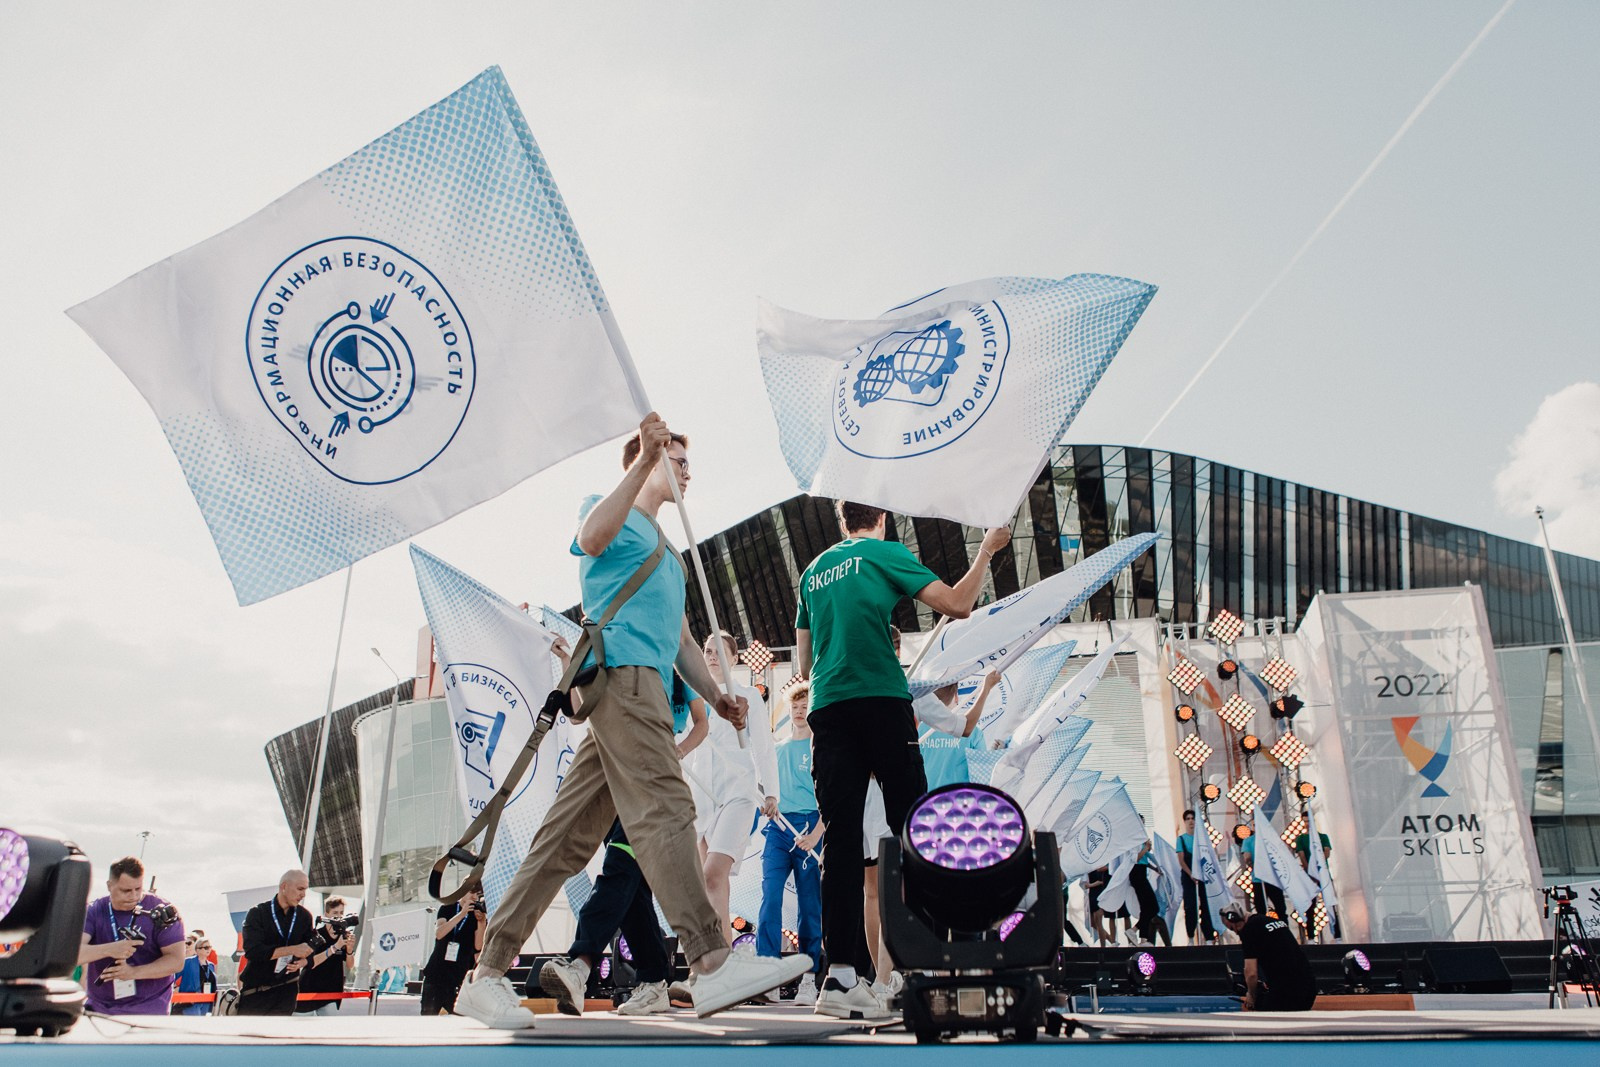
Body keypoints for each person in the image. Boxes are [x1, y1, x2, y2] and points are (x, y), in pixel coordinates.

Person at [456, 413, 812, 1029]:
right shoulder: (611, 510)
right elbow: (591, 539)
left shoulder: (670, 558)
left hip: (641, 683)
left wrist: (718, 697)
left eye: (684, 464)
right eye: (679, 461)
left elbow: (678, 640)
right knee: (668, 808)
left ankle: (486, 974)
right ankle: (711, 961)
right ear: (644, 461)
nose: (687, 472)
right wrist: (646, 460)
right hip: (621, 679)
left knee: (563, 841)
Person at [794, 499, 1010, 1019]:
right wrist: (984, 551)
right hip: (880, 702)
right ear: (882, 518)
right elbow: (957, 604)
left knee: (843, 844)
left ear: (841, 522)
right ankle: (925, 969)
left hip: (829, 709)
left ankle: (840, 978)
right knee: (914, 830)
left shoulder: (813, 571)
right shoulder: (884, 553)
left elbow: (804, 662)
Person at [540, 674, 709, 1018]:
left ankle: (580, 964)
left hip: (650, 787)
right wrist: (565, 663)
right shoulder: (627, 666)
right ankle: (653, 980)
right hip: (612, 786)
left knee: (618, 872)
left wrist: (679, 749)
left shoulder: (675, 671)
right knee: (632, 895)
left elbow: (702, 723)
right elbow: (582, 711)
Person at [688, 631, 779, 945]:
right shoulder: (692, 696)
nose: (711, 655)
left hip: (737, 793)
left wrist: (770, 793)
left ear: (734, 658)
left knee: (714, 874)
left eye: (718, 651)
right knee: (708, 886)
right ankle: (719, 961)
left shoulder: (748, 696)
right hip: (700, 798)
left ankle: (721, 960)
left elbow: (764, 748)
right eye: (707, 650)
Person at [757, 680, 824, 1005]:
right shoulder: (777, 749)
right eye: (795, 707)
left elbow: (833, 798)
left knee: (810, 906)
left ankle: (809, 979)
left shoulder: (822, 748)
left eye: (804, 707)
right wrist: (764, 803)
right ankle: (767, 974)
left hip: (810, 826)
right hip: (779, 828)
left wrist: (816, 834)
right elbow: (762, 789)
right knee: (770, 898)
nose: (799, 712)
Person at [78, 856, 187, 1015]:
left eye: (138, 889)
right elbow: (72, 953)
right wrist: (110, 949)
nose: (134, 896)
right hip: (100, 1008)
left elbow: (176, 961)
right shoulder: (94, 911)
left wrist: (133, 973)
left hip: (149, 1008)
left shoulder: (162, 912)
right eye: (126, 891)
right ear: (109, 886)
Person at [236, 870, 318, 1016]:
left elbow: (312, 951)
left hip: (287, 992)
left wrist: (303, 962)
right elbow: (253, 952)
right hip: (256, 992)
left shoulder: (305, 916)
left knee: (279, 1038)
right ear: (284, 886)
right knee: (251, 1038)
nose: (303, 894)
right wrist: (292, 950)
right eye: (300, 889)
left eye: (305, 890)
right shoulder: (257, 913)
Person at [1219, 902, 1317, 1011]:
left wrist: (1251, 994)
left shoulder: (1249, 930)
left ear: (1236, 919)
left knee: (1262, 1012)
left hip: (1288, 990)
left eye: (1233, 928)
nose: (1236, 932)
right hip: (1309, 985)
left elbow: (1251, 973)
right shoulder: (1274, 921)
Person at [421, 883, 486, 1015]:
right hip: (436, 974)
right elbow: (439, 933)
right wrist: (462, 914)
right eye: (471, 893)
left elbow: (478, 946)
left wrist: (482, 922)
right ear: (462, 892)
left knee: (462, 1018)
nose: (474, 897)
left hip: (459, 976)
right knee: (428, 1017)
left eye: (478, 895)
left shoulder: (477, 913)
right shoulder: (447, 908)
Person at [297, 896, 355, 1016]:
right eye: (335, 913)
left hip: (332, 991)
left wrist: (349, 950)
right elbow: (311, 963)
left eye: (341, 913)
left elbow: (350, 965)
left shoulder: (344, 935)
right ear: (326, 914)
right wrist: (336, 947)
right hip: (309, 988)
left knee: (330, 1029)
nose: (338, 916)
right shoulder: (317, 935)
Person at [1175, 811, 1217, 944]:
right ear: (1185, 822)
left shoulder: (1202, 839)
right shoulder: (1181, 839)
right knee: (1190, 906)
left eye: (1193, 818)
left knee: (1206, 905)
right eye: (1188, 819)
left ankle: (1209, 937)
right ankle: (1191, 937)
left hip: (1204, 877)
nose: (1191, 821)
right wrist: (1191, 874)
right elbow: (1181, 861)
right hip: (1189, 877)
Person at [174, 935, 218, 1015]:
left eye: (209, 947)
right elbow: (172, 976)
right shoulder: (187, 962)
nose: (208, 949)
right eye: (205, 947)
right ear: (197, 950)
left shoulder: (211, 965)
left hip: (206, 1002)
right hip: (190, 1003)